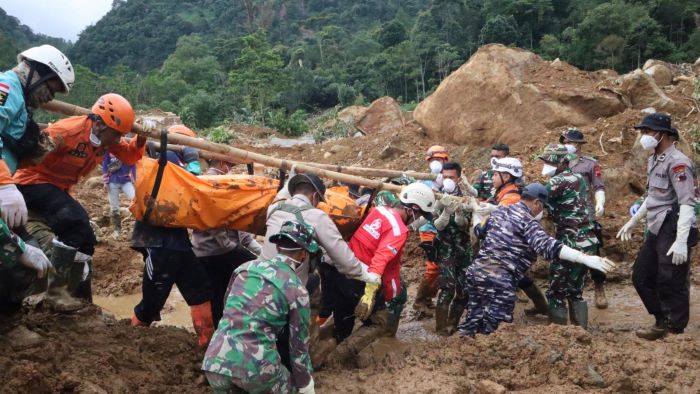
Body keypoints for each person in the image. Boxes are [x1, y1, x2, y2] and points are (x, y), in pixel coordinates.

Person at [13, 93, 145, 301]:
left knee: (86, 241)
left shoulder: (105, 141)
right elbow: (27, 156)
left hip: (58, 190)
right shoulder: (66, 131)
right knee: (77, 222)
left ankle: (82, 302)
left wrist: (142, 137)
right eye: (117, 134)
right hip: (31, 182)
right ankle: (55, 294)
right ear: (100, 125)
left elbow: (129, 155)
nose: (119, 140)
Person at [458, 184, 615, 337]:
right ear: (537, 203)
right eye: (543, 207)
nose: (542, 211)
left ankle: (462, 352)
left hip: (476, 273)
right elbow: (550, 246)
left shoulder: (500, 212)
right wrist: (584, 258)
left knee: (473, 319)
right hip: (499, 279)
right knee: (498, 331)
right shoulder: (527, 222)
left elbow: (480, 232)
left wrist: (475, 212)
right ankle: (489, 359)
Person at [324, 182, 435, 366]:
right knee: (380, 322)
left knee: (343, 320)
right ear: (413, 209)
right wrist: (369, 294)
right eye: (421, 214)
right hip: (361, 277)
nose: (419, 219)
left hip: (342, 267)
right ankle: (335, 361)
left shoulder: (380, 211)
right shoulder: (399, 230)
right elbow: (381, 259)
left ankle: (325, 352)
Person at [202, 220, 317, 394]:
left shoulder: (244, 269)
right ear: (303, 254)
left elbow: (228, 308)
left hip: (214, 363)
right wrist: (306, 385)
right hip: (255, 370)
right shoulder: (297, 290)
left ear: (277, 247)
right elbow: (298, 347)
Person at [0, 45, 73, 313]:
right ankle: (8, 328)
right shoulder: (6, 89)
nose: (48, 97)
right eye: (50, 89)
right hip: (2, 188)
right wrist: (4, 184)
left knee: (30, 254)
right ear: (36, 73)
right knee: (19, 258)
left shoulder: (20, 100)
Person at [131, 124, 214, 348]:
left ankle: (206, 342)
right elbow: (185, 183)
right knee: (152, 302)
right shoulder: (164, 159)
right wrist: (193, 162)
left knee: (200, 288)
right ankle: (129, 343)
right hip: (158, 241)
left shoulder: (165, 160)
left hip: (176, 240)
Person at [617, 113, 698, 340]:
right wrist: (633, 221)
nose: (644, 136)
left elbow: (687, 203)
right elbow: (653, 197)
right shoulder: (654, 159)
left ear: (662, 134)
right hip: (657, 224)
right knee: (640, 275)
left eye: (647, 131)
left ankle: (675, 329)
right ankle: (661, 319)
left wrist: (682, 240)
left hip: (675, 223)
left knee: (671, 278)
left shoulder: (678, 163)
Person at [261, 172, 377, 285]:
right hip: (287, 287)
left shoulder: (274, 208)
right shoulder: (317, 216)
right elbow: (344, 260)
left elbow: (282, 194)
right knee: (315, 279)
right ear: (315, 196)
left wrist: (292, 174)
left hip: (258, 275)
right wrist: (368, 276)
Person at [474, 157, 549, 317]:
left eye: (495, 174)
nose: (491, 178)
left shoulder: (510, 198)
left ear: (506, 177)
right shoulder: (504, 194)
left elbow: (484, 229)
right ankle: (542, 306)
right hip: (512, 249)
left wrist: (477, 216)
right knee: (521, 278)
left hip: (507, 250)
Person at [192, 159, 262, 328]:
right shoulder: (213, 183)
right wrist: (233, 249)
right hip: (216, 249)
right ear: (222, 163)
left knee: (219, 295)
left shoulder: (223, 182)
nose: (230, 170)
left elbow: (242, 234)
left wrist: (263, 253)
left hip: (207, 250)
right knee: (254, 275)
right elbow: (215, 224)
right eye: (230, 166)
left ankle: (222, 332)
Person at [538, 144, 599, 327]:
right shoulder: (579, 177)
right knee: (575, 290)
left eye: (549, 161)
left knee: (556, 291)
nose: (546, 164)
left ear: (561, 161)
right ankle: (581, 333)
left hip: (569, 241)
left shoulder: (556, 182)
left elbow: (536, 200)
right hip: (588, 240)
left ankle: (559, 334)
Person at [560, 127, 609, 309]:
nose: (567, 145)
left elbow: (598, 186)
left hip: (585, 214)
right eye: (565, 142)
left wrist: (600, 203)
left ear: (579, 145)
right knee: (565, 252)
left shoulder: (589, 164)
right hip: (564, 215)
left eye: (570, 142)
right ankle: (566, 292)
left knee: (593, 250)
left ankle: (599, 286)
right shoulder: (559, 163)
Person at [432, 162, 472, 335]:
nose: (448, 180)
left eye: (451, 177)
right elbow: (437, 225)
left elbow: (465, 226)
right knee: (447, 288)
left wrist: (459, 212)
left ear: (458, 178)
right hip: (445, 248)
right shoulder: (437, 196)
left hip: (463, 247)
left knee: (464, 289)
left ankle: (452, 323)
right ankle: (440, 328)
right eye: (445, 177)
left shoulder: (467, 198)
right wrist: (445, 211)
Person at [412, 145, 449, 316]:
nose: (436, 163)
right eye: (433, 160)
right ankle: (419, 302)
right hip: (428, 228)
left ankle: (428, 298)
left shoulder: (448, 180)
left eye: (439, 160)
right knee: (432, 267)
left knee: (440, 267)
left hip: (444, 228)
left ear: (445, 160)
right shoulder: (423, 182)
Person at [102, 151, 136, 239]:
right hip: (112, 181)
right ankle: (117, 231)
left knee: (136, 200)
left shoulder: (126, 149)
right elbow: (105, 165)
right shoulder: (109, 150)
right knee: (114, 207)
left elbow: (132, 165)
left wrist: (134, 180)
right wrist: (105, 182)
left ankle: (139, 228)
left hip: (126, 181)